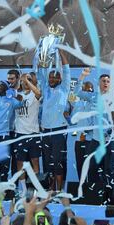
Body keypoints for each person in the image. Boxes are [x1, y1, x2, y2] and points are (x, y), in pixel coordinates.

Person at [37, 49, 71, 191]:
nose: (51, 79)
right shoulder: (45, 88)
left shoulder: (64, 88)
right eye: (50, 77)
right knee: (47, 163)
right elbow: (41, 71)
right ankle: (50, 190)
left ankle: (59, 191)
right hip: (45, 131)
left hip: (59, 131)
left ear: (60, 79)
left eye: (54, 77)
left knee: (58, 162)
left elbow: (66, 67)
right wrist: (43, 53)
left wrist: (60, 50)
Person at [14, 73, 42, 196]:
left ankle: (36, 188)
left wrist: (28, 81)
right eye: (23, 80)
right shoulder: (16, 94)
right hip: (19, 133)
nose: (25, 82)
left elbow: (38, 94)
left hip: (33, 133)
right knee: (20, 162)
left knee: (35, 161)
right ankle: (23, 189)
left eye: (29, 80)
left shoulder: (34, 93)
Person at [71, 68, 94, 180]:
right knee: (81, 167)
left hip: (91, 140)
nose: (87, 93)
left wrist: (86, 132)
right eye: (85, 90)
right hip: (79, 140)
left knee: (92, 168)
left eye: (89, 91)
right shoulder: (78, 104)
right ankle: (82, 192)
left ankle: (93, 192)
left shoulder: (95, 102)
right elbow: (73, 120)